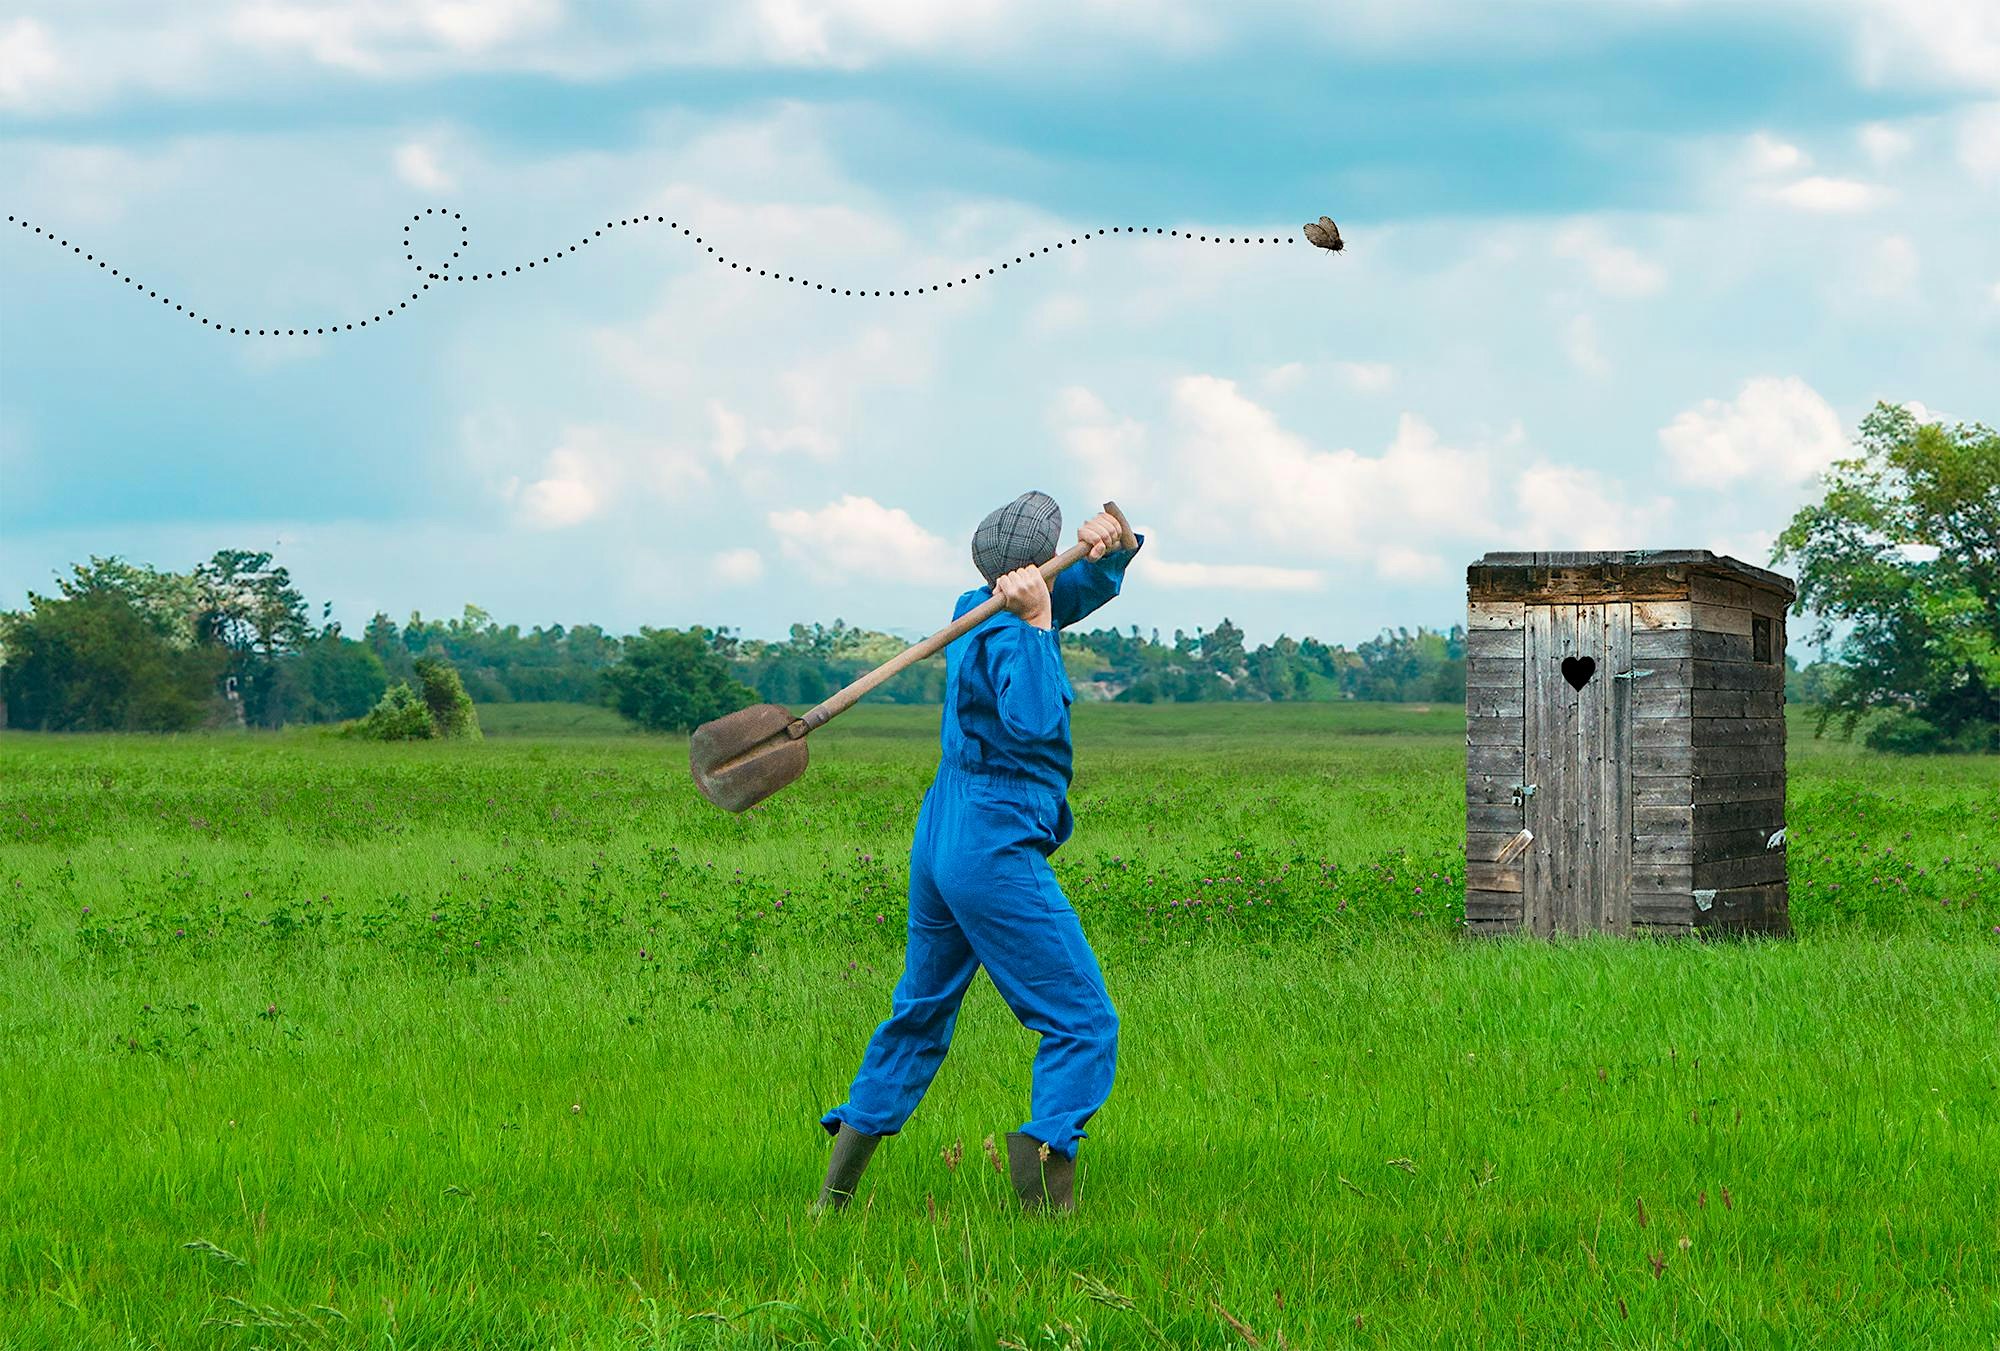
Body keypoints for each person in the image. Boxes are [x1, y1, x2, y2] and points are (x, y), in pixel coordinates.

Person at [814, 491, 1144, 1214]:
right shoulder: (1011, 626)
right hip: (991, 839)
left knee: (921, 1010)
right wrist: (1034, 627)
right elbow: (1032, 722)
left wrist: (1113, 546)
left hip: (941, 832)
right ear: (1021, 578)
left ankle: (832, 1197)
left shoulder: (974, 603)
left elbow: (1068, 592)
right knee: (1083, 1021)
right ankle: (1047, 1207)